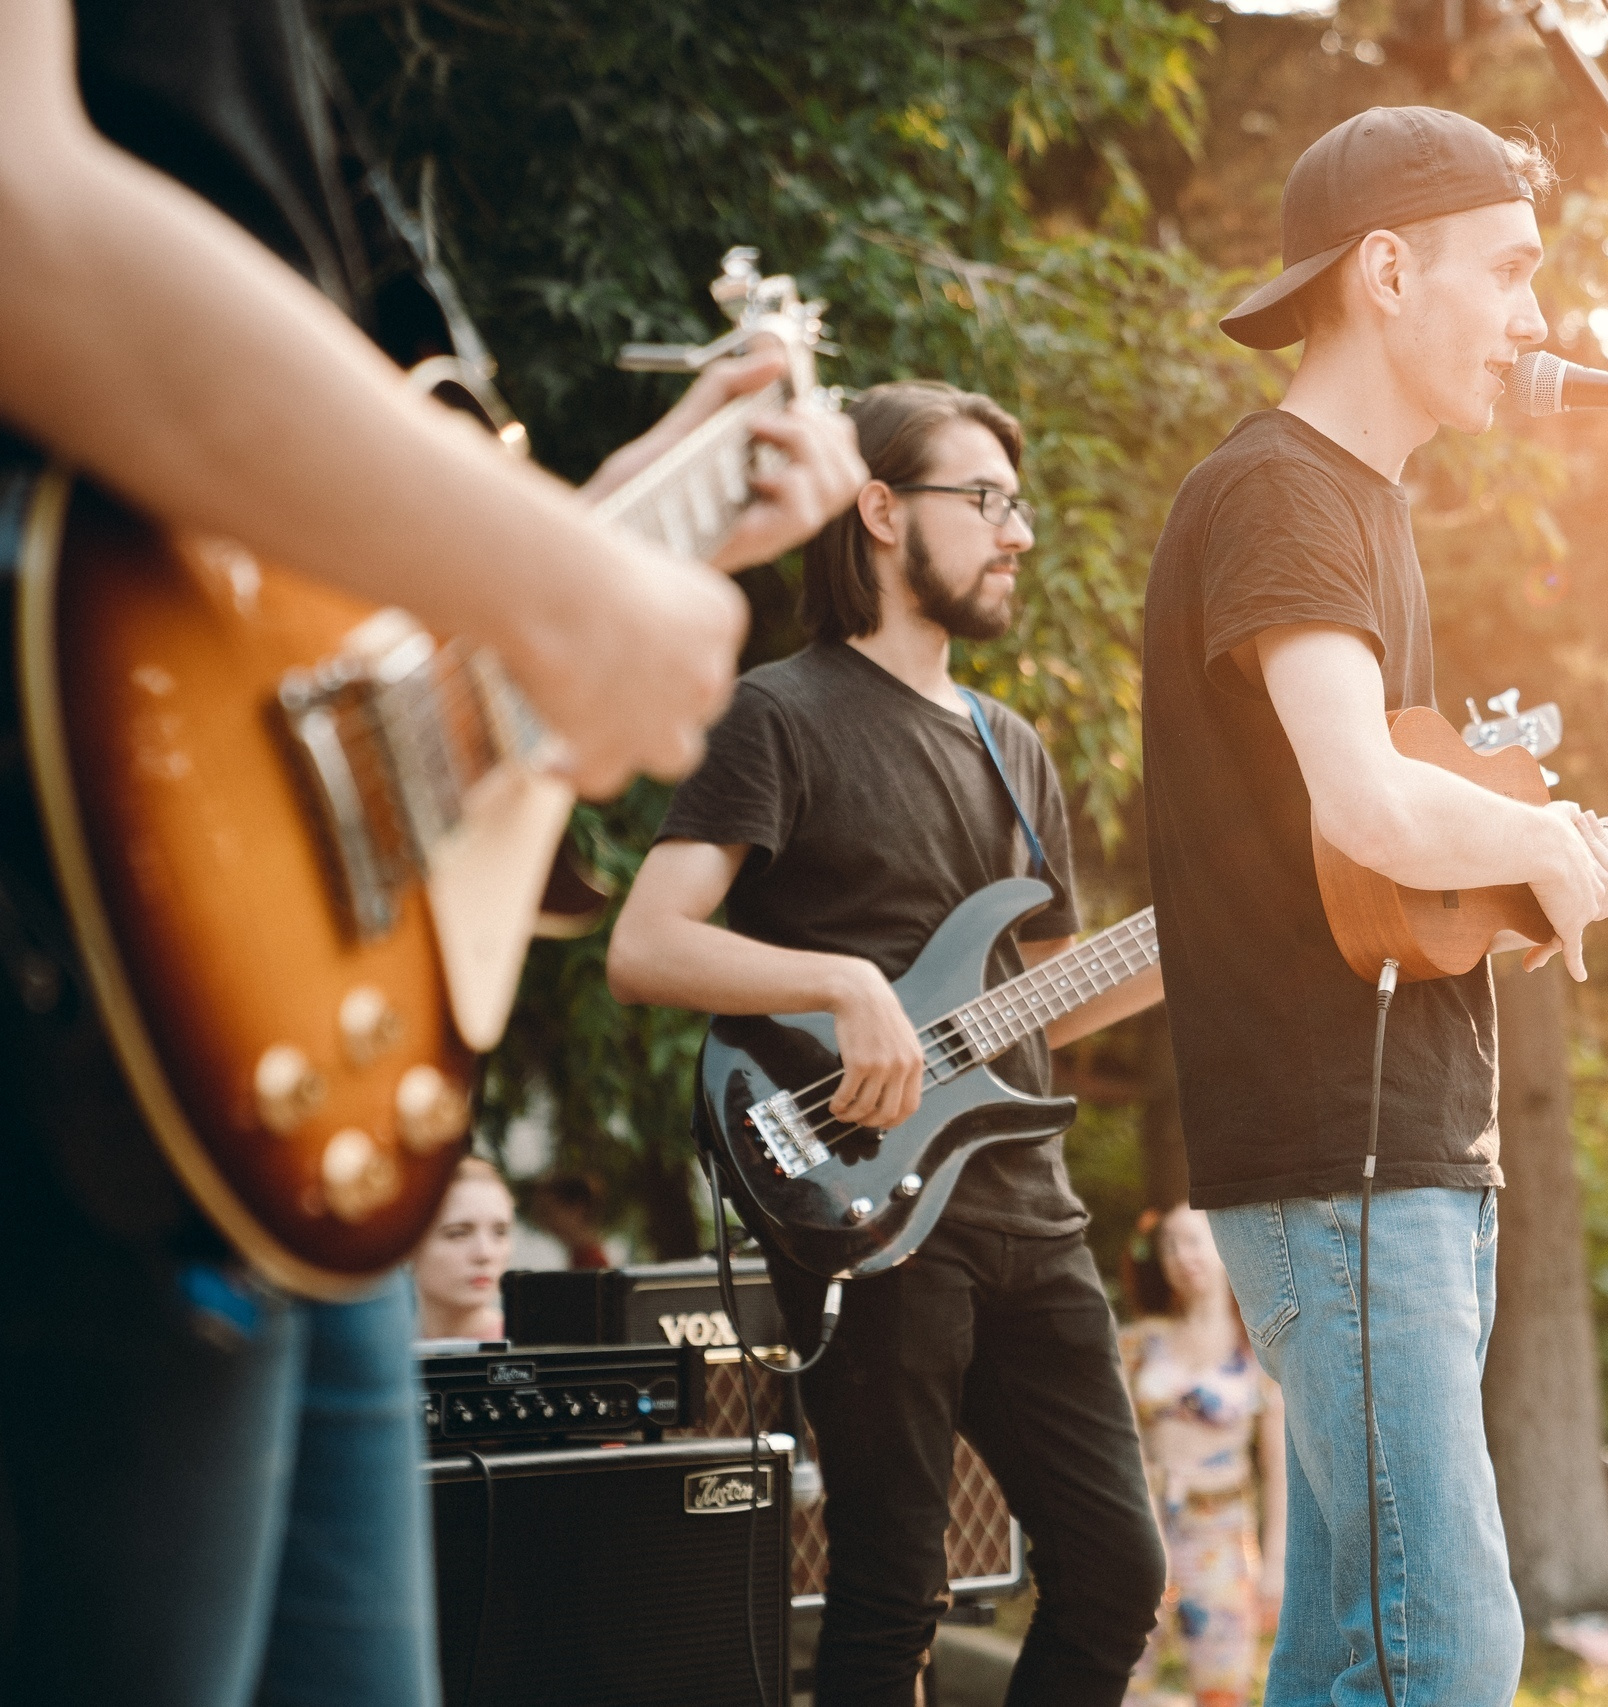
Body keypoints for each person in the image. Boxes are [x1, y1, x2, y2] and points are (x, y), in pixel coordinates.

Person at [0, 1, 866, 1697]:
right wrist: (565, 588)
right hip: (85, 975)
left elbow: (316, 585)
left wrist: (623, 521)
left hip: (282, 1061)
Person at [1139, 105, 1608, 1707]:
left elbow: (1357, 866)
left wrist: (1520, 864)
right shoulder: (1283, 495)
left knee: (1356, 1645)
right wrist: (1542, 836)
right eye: (1509, 270)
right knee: (1448, 1642)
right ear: (1385, 271)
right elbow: (1362, 802)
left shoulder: (1358, 502)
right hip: (1342, 1161)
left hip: (1384, 1160)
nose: (1534, 317)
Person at [607, 378, 1168, 1707]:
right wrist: (843, 982)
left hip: (1032, 1215)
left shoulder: (1013, 746)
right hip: (865, 1200)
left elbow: (1042, 1000)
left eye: (1018, 505)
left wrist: (1205, 946)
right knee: (890, 1592)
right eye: (986, 500)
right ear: (878, 510)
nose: (1018, 532)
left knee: (1114, 1575)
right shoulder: (778, 712)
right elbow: (646, 944)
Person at [1120, 1205, 1288, 1707]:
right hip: (1141, 1528)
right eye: (1169, 1244)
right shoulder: (1138, 1343)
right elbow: (1124, 1447)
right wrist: (1149, 1531)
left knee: (1222, 1690)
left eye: (1194, 1240)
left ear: (1224, 1246)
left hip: (1222, 1533)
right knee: (1121, 1681)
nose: (1181, 1255)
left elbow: (1278, 1468)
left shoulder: (1258, 1349)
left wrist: (1276, 1562)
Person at [414, 1157, 515, 1342]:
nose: (485, 1254)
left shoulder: (535, 1346)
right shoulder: (372, 1347)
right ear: (409, 1246)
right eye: (458, 1233)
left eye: (500, 1232)